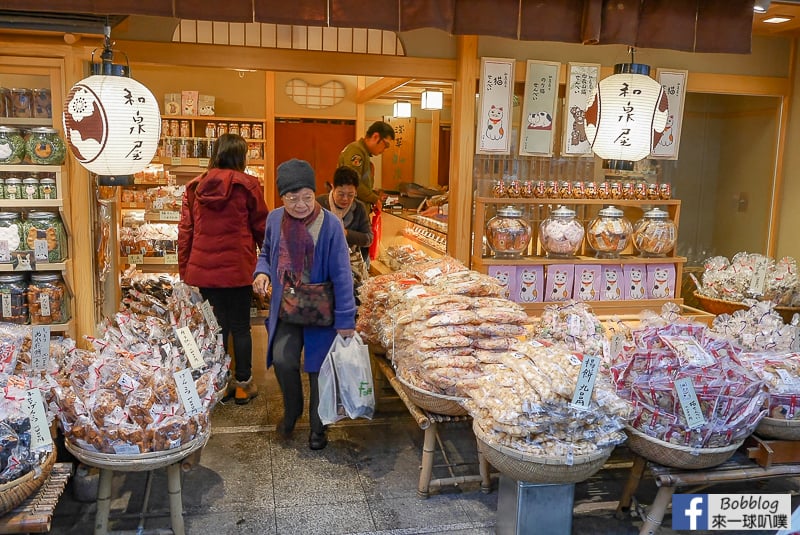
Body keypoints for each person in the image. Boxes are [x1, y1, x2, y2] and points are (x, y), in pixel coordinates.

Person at [252, 159, 356, 451]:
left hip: (320, 309)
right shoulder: (274, 219)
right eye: (292, 198)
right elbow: (267, 252)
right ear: (281, 197)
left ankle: (318, 427)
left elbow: (342, 274)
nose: (300, 205)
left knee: (318, 370)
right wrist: (261, 271)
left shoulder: (331, 224)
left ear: (315, 194)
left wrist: (346, 320)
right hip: (287, 305)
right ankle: (293, 410)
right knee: (283, 360)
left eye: (307, 197)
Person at [178, 133, 269, 405]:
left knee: (215, 328)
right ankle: (243, 384)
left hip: (204, 272)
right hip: (239, 270)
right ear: (240, 157)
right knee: (241, 327)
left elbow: (186, 232)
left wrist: (186, 271)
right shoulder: (249, 185)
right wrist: (267, 264)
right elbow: (262, 227)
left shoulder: (195, 187)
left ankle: (219, 382)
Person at [317, 166, 373, 264]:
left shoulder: (359, 208)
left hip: (352, 262)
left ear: (356, 191)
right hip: (322, 261)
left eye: (351, 195)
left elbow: (368, 238)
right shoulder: (319, 204)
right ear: (333, 187)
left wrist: (346, 233)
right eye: (341, 194)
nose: (345, 199)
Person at [338, 120, 395, 209]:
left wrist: (374, 194)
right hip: (352, 211)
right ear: (375, 136)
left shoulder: (363, 153)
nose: (384, 150)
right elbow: (352, 182)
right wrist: (374, 199)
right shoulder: (356, 151)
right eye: (386, 145)